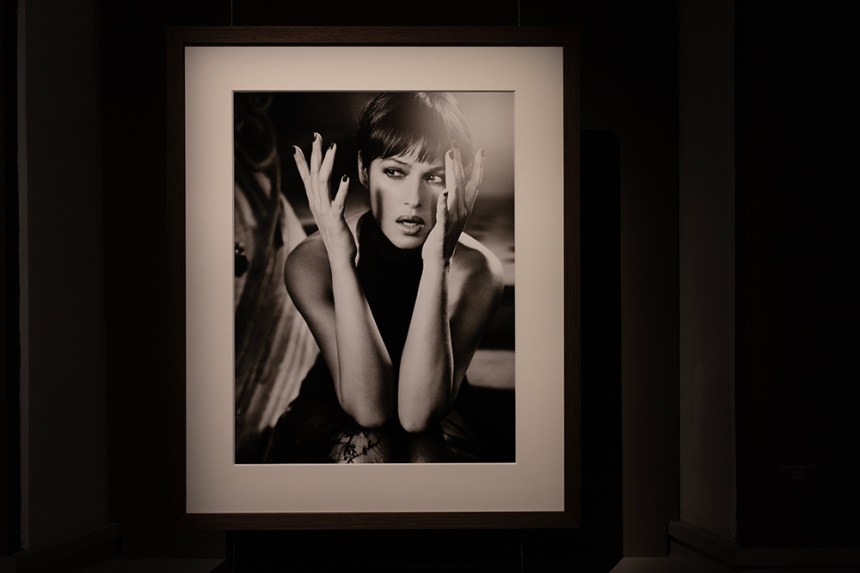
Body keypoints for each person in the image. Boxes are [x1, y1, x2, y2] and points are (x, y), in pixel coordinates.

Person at [268, 92, 506, 463]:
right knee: (364, 455)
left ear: (458, 183)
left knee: (426, 458)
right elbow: (369, 410)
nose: (414, 198)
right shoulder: (311, 261)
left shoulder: (477, 269)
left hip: (436, 400)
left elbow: (417, 415)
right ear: (364, 170)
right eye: (395, 172)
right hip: (339, 400)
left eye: (435, 177)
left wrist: (438, 263)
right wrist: (342, 261)